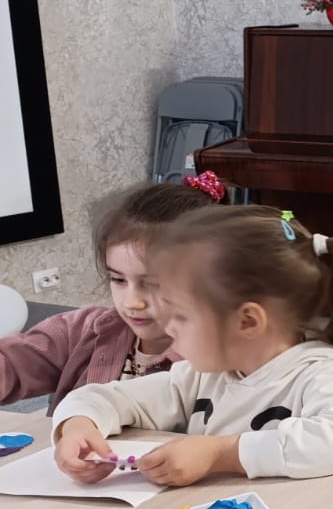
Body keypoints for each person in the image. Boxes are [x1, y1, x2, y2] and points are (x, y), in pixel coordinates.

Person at [52, 205, 333, 485]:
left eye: (182, 316)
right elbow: (107, 397)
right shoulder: (202, 376)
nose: (169, 328)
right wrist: (79, 425)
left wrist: (221, 454)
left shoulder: (320, 375)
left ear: (247, 321)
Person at [0, 176, 219, 413]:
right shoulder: (83, 330)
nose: (132, 302)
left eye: (153, 284)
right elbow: (11, 365)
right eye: (118, 279)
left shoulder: (220, 360)